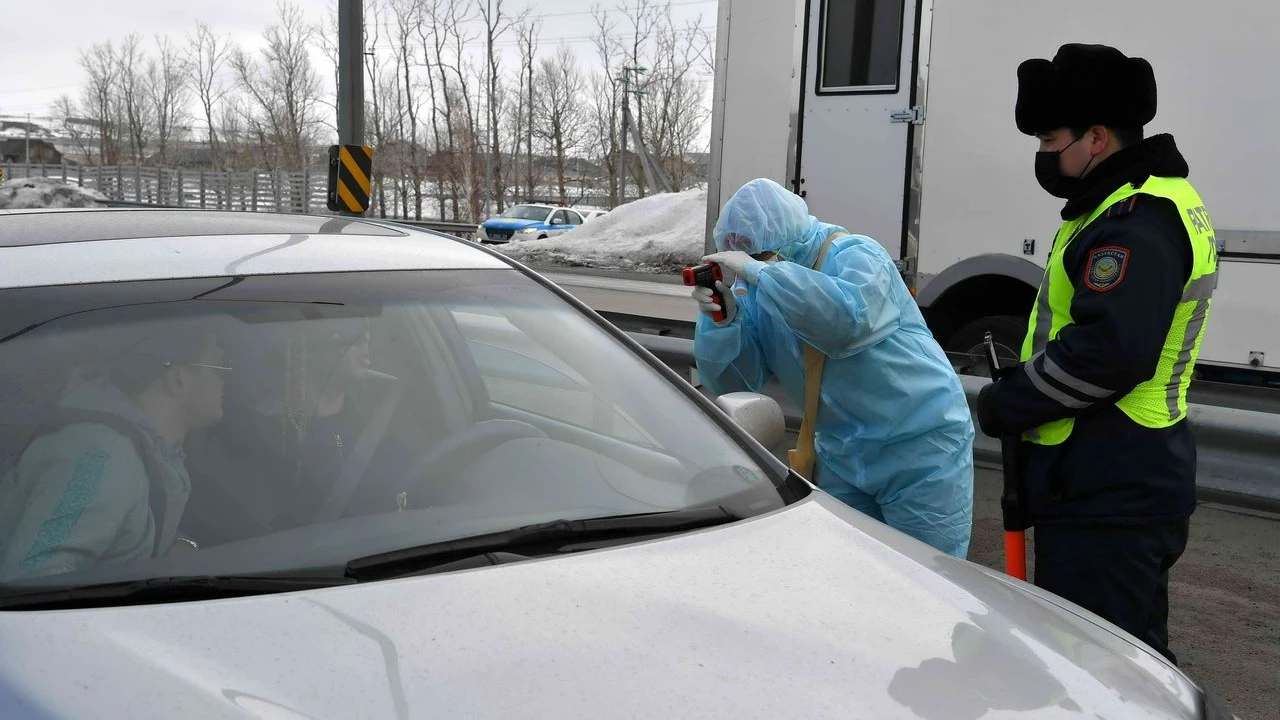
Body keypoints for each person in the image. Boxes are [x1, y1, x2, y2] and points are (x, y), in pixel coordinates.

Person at [974, 44, 1219, 665]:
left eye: (1049, 138)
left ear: (1098, 137)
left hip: (1110, 492)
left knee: (1103, 677)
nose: (1042, 154)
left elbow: (1109, 351)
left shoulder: (1135, 220)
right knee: (1116, 668)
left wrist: (1010, 401)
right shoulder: (1131, 203)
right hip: (1115, 481)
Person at [693, 177, 975, 558]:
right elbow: (736, 380)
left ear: (784, 238)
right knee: (850, 581)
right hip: (842, 455)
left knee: (929, 581)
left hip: (920, 447)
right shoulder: (762, 286)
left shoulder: (857, 255)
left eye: (758, 256)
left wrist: (761, 273)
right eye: (745, 259)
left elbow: (843, 323)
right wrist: (724, 324)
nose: (749, 266)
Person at [0, 318, 230, 581]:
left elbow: (122, 530)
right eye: (219, 369)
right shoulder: (103, 455)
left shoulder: (152, 451)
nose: (226, 381)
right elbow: (33, 579)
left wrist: (180, 547)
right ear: (178, 379)